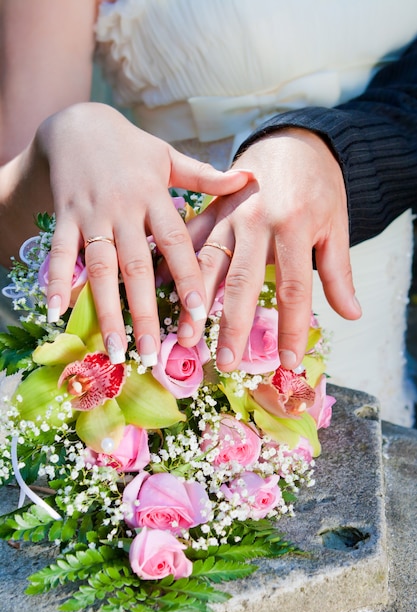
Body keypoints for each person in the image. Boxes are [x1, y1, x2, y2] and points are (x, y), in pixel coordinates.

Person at [1, 0, 417, 424]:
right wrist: (70, 133)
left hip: (376, 313)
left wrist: (328, 147)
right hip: (173, 343)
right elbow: (21, 224)